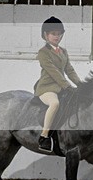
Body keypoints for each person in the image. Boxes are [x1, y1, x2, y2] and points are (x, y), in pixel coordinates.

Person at [35, 16, 83, 152]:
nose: (57, 37)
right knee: (55, 104)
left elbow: (69, 70)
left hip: (61, 88)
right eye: (53, 34)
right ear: (45, 35)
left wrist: (81, 85)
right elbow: (54, 72)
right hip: (47, 88)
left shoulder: (63, 51)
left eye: (59, 34)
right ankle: (44, 137)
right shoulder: (43, 53)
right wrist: (67, 86)